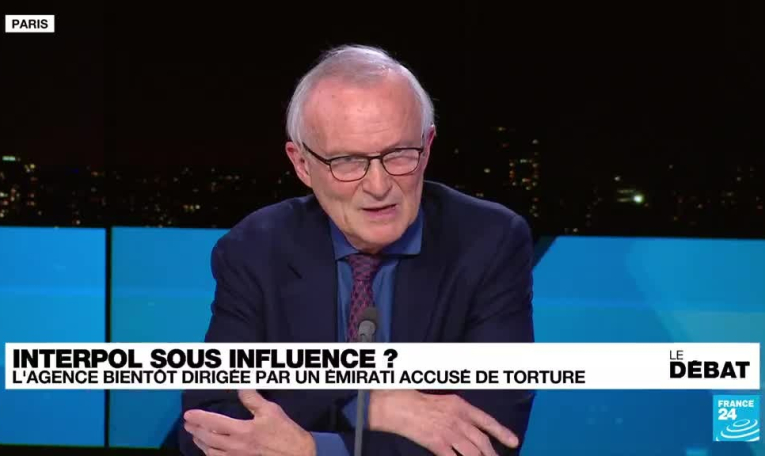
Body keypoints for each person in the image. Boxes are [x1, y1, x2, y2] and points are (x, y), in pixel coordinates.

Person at [179, 44, 535, 456]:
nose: (378, 186)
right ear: (302, 164)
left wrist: (312, 449)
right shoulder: (256, 249)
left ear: (428, 147)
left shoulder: (490, 242)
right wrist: (368, 404)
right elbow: (206, 422)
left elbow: (490, 438)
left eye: (399, 154)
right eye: (347, 161)